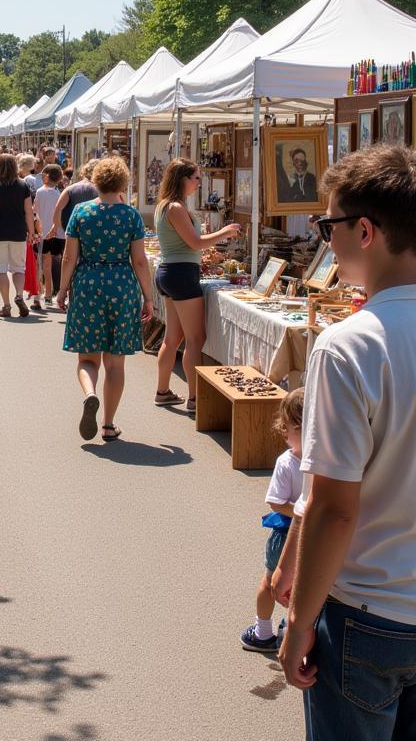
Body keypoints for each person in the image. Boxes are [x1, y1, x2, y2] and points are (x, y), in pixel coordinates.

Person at [272, 145, 416, 741]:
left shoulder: (347, 345)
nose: (326, 239)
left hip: (369, 610)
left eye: (328, 225)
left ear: (364, 231)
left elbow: (332, 507)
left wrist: (298, 623)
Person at [57, 157, 154, 442]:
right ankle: (109, 424)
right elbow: (139, 260)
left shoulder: (80, 212)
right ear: (123, 183)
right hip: (122, 287)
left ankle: (89, 394)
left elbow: (69, 257)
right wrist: (148, 297)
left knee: (88, 358)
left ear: (96, 181)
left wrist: (62, 291)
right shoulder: (131, 215)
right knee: (115, 364)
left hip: (87, 285)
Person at [152, 161, 242, 413]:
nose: (198, 182)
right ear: (182, 179)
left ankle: (163, 391)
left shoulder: (166, 206)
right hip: (180, 274)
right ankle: (194, 398)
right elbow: (194, 243)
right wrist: (225, 232)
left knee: (173, 338)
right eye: (195, 177)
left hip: (171, 272)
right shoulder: (176, 207)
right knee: (195, 338)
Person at [241, 389, 304, 653]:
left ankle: (262, 632)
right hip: (313, 533)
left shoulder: (286, 462)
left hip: (287, 532)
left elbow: (276, 501)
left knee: (270, 582)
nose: (282, 432)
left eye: (286, 427)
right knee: (304, 588)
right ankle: (289, 633)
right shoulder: (329, 460)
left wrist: (301, 514)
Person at [0, 153, 35, 318]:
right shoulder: (23, 185)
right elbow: (29, 211)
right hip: (18, 231)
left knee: (1, 270)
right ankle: (19, 294)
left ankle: (6, 305)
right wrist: (31, 231)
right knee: (18, 269)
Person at [33, 163, 65, 310]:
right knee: (50, 265)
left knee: (39, 265)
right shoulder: (60, 193)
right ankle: (48, 295)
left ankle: (39, 295)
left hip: (42, 232)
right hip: (57, 233)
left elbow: (35, 211)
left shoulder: (40, 192)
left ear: (46, 176)